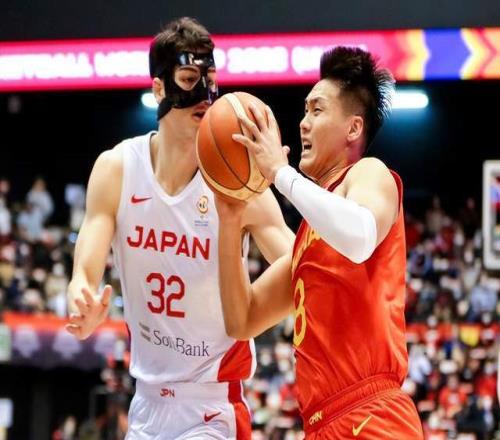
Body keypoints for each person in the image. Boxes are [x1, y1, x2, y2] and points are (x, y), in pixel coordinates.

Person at [65, 17, 293, 440]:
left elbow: (302, 266)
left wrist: (286, 180)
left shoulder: (239, 182)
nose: (204, 94)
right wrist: (82, 297)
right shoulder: (117, 168)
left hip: (213, 404)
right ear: (159, 88)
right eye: (189, 79)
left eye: (211, 80)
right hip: (146, 403)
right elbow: (85, 270)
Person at [216, 46, 424, 438]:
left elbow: (360, 237)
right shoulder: (308, 237)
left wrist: (280, 174)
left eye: (317, 110)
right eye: (304, 111)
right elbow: (242, 319)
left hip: (372, 414)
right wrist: (230, 218)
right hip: (320, 422)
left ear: (353, 128)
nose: (303, 123)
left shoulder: (368, 173)